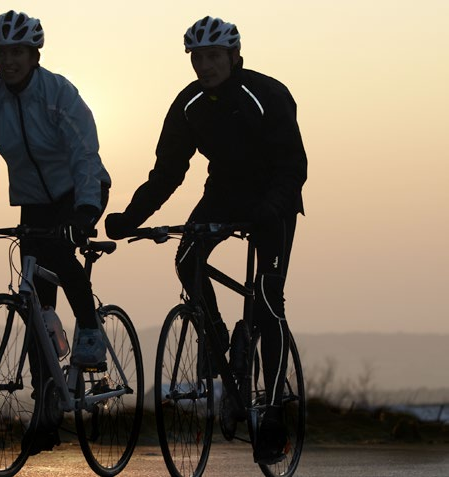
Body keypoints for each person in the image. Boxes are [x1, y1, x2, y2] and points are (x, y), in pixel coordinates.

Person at [104, 16, 307, 465]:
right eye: (197, 57)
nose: (205, 64)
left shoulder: (266, 94)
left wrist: (270, 208)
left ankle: (273, 416)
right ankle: (216, 338)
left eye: (214, 56)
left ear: (235, 56)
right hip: (223, 196)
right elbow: (168, 173)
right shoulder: (189, 103)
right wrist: (130, 217)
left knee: (269, 299)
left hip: (274, 200)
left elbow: (294, 165)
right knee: (187, 259)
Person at [0, 9, 112, 452]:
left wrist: (83, 213)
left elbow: (84, 153)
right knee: (37, 300)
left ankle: (90, 329)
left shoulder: (59, 93)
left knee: (61, 257)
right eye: (2, 52)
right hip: (32, 202)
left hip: (81, 189)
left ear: (34, 53)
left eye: (17, 51)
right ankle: (45, 412)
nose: (9, 60)